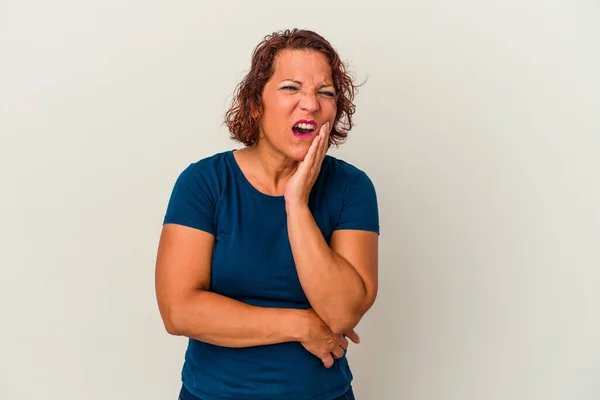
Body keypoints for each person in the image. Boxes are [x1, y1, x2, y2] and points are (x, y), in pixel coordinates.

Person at [155, 28, 380, 400]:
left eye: (325, 92)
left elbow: (342, 313)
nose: (310, 103)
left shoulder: (351, 188)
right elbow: (179, 311)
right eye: (291, 87)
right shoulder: (204, 182)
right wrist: (300, 324)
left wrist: (296, 204)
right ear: (256, 103)